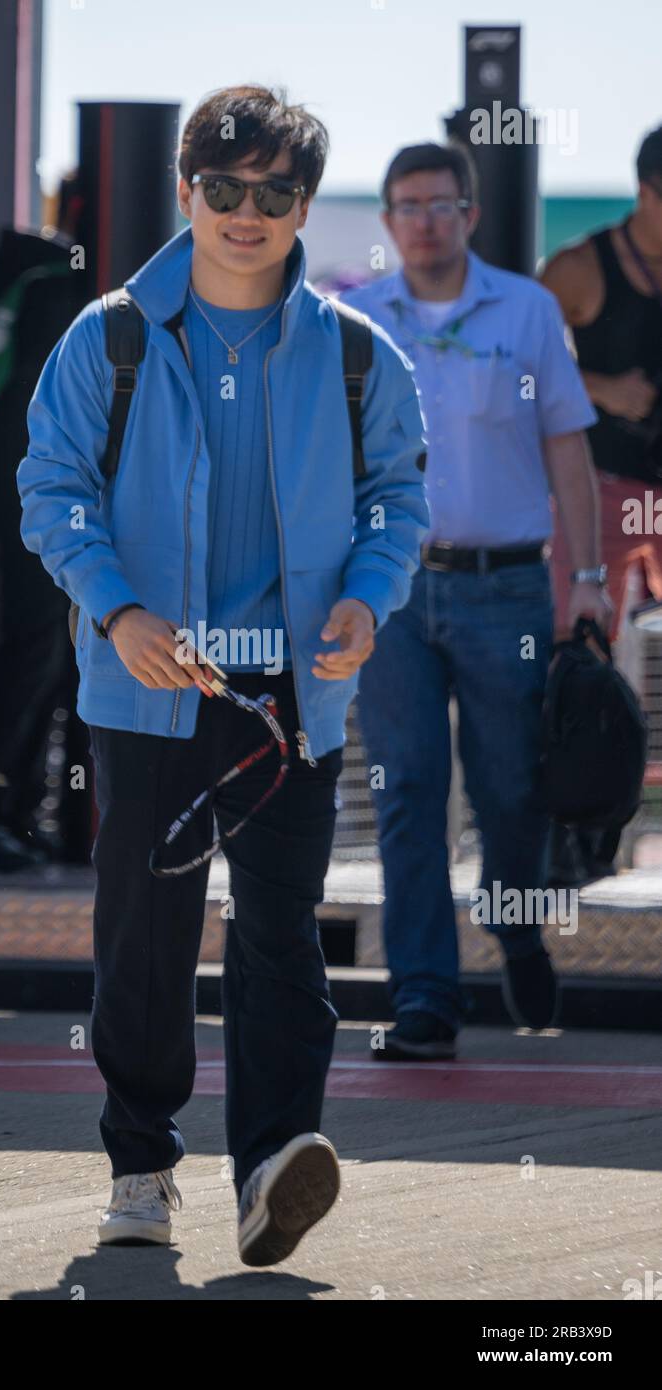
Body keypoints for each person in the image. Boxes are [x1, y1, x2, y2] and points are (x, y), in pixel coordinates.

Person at [17, 85, 428, 1264]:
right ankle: (140, 1166)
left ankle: (271, 1167)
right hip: (145, 689)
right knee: (144, 936)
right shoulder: (109, 336)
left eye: (275, 193)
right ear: (184, 190)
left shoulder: (356, 356)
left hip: (291, 700)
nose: (247, 213)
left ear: (302, 206)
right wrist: (119, 608)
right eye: (224, 187)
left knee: (279, 938)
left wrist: (365, 594)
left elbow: (397, 501)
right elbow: (50, 491)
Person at [342, 142, 607, 1061]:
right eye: (406, 205)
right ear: (386, 221)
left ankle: (519, 928)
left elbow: (567, 447)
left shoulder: (527, 310)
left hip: (508, 588)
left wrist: (589, 578)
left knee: (511, 791)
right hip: (394, 592)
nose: (423, 220)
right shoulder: (356, 319)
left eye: (440, 204)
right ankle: (425, 1001)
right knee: (409, 791)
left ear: (471, 214)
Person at [0, 177, 92, 871]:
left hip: (48, 491)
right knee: (39, 649)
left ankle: (26, 822)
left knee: (58, 653)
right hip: (34, 493)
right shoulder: (39, 275)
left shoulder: (42, 276)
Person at [540, 125, 662, 641]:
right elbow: (517, 363)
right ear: (645, 192)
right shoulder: (580, 266)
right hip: (602, 490)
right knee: (575, 642)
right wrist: (601, 388)